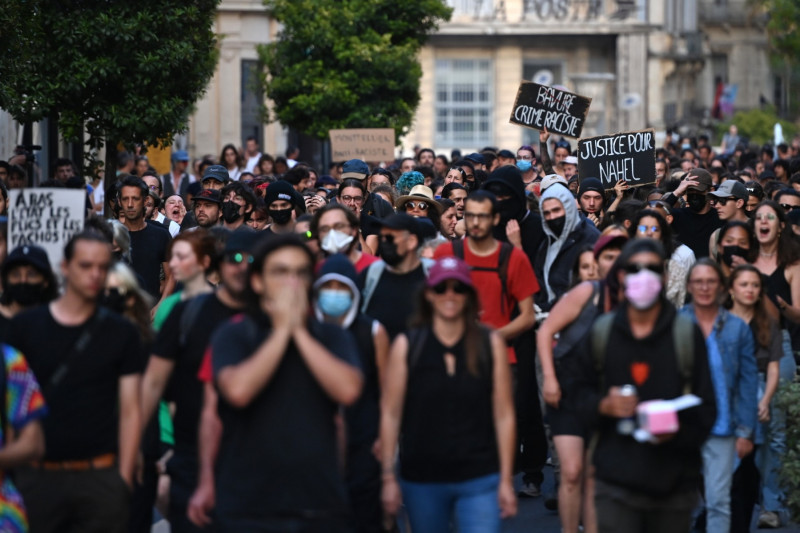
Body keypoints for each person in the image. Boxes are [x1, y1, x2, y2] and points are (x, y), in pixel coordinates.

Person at [199, 233, 363, 531]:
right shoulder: (235, 334)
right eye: (281, 272)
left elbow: (349, 390)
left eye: (301, 273)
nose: (292, 282)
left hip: (319, 505)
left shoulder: (332, 336)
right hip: (247, 506)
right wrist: (281, 332)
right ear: (258, 281)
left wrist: (297, 331)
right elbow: (238, 391)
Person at [572, 239, 716, 533]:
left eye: (652, 268)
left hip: (673, 487)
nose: (644, 276)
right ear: (622, 276)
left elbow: (707, 407)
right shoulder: (603, 333)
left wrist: (677, 432)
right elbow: (575, 394)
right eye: (635, 269)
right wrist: (603, 405)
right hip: (615, 483)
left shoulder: (685, 334)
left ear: (664, 277)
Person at [10, 231, 144, 533]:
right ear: (65, 267)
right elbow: (10, 401)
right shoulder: (25, 328)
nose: (95, 274)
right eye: (86, 266)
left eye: (102, 267)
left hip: (101, 478)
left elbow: (131, 409)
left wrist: (121, 479)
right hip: (37, 478)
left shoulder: (122, 333)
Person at [380, 257, 517, 533]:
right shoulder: (407, 346)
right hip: (423, 478)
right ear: (429, 294)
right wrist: (386, 478)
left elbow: (503, 414)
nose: (450, 295)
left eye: (459, 288)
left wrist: (505, 479)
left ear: (469, 295)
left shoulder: (490, 344)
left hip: (480, 476)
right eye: (442, 288)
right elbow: (391, 414)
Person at [142, 231, 254, 533]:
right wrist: (143, 449)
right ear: (219, 264)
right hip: (190, 453)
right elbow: (153, 383)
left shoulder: (271, 317)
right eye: (234, 259)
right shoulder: (186, 311)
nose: (242, 266)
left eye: (251, 260)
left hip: (252, 459)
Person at [537, 236, 626, 533]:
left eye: (618, 256)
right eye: (607, 256)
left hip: (605, 397)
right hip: (569, 391)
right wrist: (549, 378)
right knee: (573, 472)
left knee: (592, 475)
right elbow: (545, 331)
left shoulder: (632, 300)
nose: (612, 262)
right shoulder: (586, 292)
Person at [313, 254, 390, 533]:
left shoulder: (372, 331)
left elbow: (386, 392)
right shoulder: (309, 332)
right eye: (327, 287)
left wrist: (384, 439)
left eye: (341, 288)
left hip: (365, 442)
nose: (334, 295)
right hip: (319, 446)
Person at [680, 258, 757, 533]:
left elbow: (748, 384)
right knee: (679, 505)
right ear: (689, 285)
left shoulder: (738, 328)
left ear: (722, 287)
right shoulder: (675, 324)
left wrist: (746, 431)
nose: (704, 287)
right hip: (682, 428)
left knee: (718, 502)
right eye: (698, 281)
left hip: (723, 429)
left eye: (710, 281)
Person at [725, 265, 783, 531]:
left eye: (755, 285)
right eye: (744, 284)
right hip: (725, 390)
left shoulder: (766, 323)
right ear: (731, 289)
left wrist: (765, 399)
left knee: (754, 458)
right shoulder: (720, 320)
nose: (749, 290)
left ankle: (759, 508)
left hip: (758, 387)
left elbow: (773, 366)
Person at [102, 262, 157, 533]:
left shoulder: (147, 343)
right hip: (98, 454)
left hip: (139, 453)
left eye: (117, 291)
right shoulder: (88, 338)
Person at [360, 214, 432, 340]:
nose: (384, 242)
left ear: (411, 242)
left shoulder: (432, 274)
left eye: (389, 238)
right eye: (381, 238)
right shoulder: (371, 274)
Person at [534, 181, 601, 313]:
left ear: (569, 208)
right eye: (546, 213)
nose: (552, 217)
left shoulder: (591, 238)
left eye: (556, 210)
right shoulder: (546, 242)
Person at [118, 175, 174, 306]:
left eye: (135, 199)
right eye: (125, 199)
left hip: (149, 311)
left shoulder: (161, 235)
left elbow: (172, 275)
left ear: (145, 201)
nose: (130, 204)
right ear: (119, 202)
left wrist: (161, 306)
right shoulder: (112, 235)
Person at [629, 209, 695, 309]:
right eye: (643, 228)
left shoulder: (675, 269)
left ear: (662, 235)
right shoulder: (624, 264)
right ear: (635, 232)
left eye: (655, 229)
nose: (649, 233)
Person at [0, 244, 59, 338]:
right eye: (16, 274)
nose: (23, 280)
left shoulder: (58, 321)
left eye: (31, 274)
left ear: (46, 281)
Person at [662, 169, 722, 257]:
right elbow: (655, 216)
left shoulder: (720, 217)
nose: (694, 195)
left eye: (699, 191)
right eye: (690, 191)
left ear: (711, 190)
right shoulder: (677, 216)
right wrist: (676, 192)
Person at [311, 203, 378, 273]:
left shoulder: (375, 268)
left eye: (339, 226)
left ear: (353, 230)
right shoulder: (315, 271)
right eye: (325, 229)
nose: (332, 234)